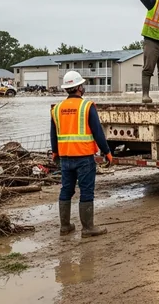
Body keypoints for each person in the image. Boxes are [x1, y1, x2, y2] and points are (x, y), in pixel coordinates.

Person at [51, 71, 113, 237]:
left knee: (66, 190)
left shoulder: (57, 109)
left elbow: (53, 134)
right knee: (86, 191)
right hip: (84, 157)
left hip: (65, 157)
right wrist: (107, 151)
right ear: (79, 87)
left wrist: (55, 152)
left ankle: (65, 227)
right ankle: (87, 228)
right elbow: (98, 132)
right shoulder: (87, 106)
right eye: (82, 85)